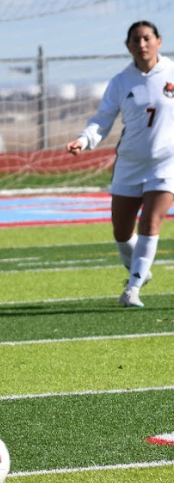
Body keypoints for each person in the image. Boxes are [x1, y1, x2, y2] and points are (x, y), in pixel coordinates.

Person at [66, 20, 174, 308]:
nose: (142, 44)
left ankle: (133, 288)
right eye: (136, 40)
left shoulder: (172, 73)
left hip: (166, 165)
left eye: (147, 38)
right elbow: (102, 120)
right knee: (122, 232)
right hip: (129, 164)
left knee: (151, 222)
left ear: (159, 42)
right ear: (128, 46)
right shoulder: (120, 82)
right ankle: (139, 269)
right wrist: (84, 140)